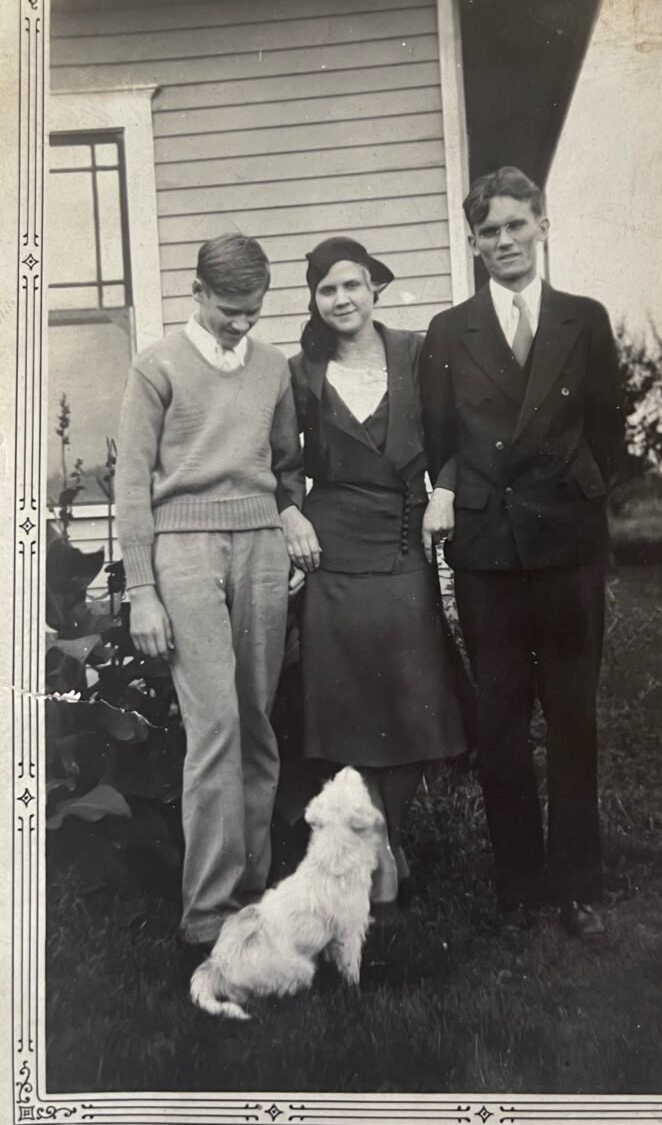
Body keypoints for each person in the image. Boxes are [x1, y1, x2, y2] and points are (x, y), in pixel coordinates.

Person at [419, 167, 625, 936]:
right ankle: (520, 888)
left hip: (568, 545)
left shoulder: (583, 319)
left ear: (542, 224)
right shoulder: (451, 330)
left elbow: (610, 427)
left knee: (572, 713)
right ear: (473, 242)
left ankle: (577, 881)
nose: (504, 240)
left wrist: (578, 490)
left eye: (516, 224)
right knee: (501, 720)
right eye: (489, 231)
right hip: (489, 552)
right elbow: (440, 438)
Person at [115, 233, 317, 953]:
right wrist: (142, 588)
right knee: (215, 726)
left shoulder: (272, 369)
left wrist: (288, 518)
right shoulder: (157, 366)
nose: (241, 322)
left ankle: (252, 901)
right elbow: (131, 484)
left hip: (260, 548)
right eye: (230, 308)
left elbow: (286, 468)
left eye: (253, 311)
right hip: (184, 552)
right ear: (197, 291)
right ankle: (206, 913)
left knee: (256, 721)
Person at [288, 236, 467, 909]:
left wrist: (444, 491)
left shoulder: (416, 353)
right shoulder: (299, 371)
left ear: (375, 290)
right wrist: (289, 513)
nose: (342, 300)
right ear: (315, 299)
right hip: (331, 546)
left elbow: (456, 434)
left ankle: (386, 835)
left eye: (353, 285)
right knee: (350, 703)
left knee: (414, 697)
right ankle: (383, 846)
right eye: (328, 289)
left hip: (403, 537)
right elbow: (279, 462)